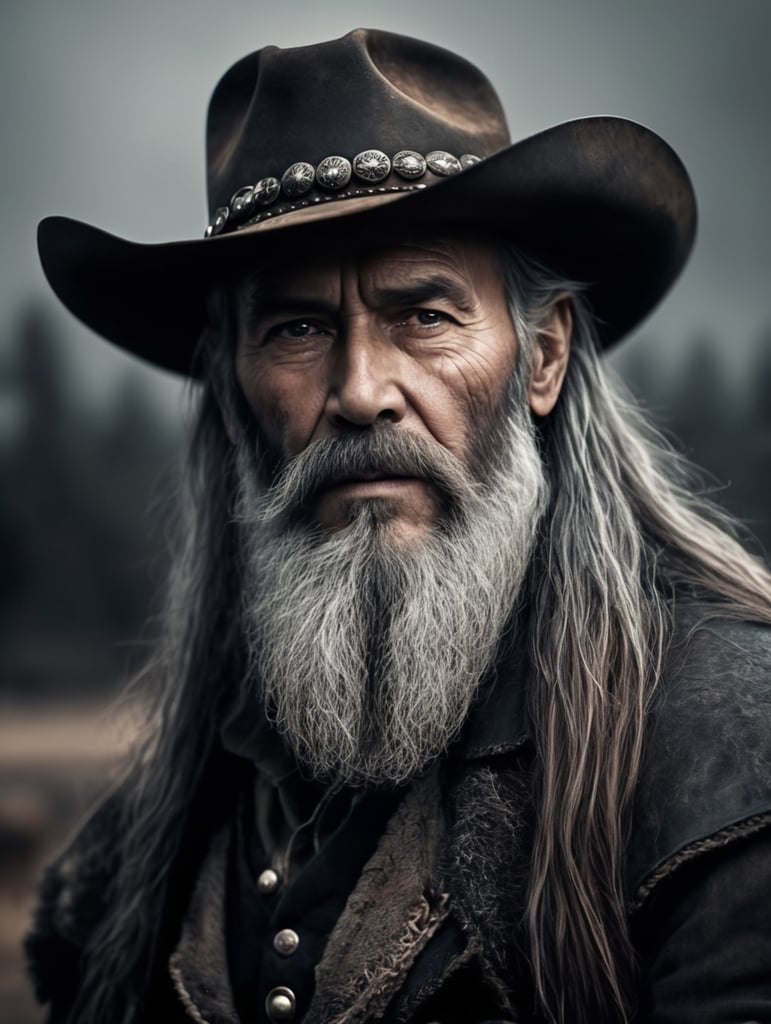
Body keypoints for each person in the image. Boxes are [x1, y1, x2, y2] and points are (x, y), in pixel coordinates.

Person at [26, 27, 771, 1024]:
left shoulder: (728, 752)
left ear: (541, 359)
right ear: (234, 392)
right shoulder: (153, 834)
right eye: (297, 328)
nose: (362, 391)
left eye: (423, 314)